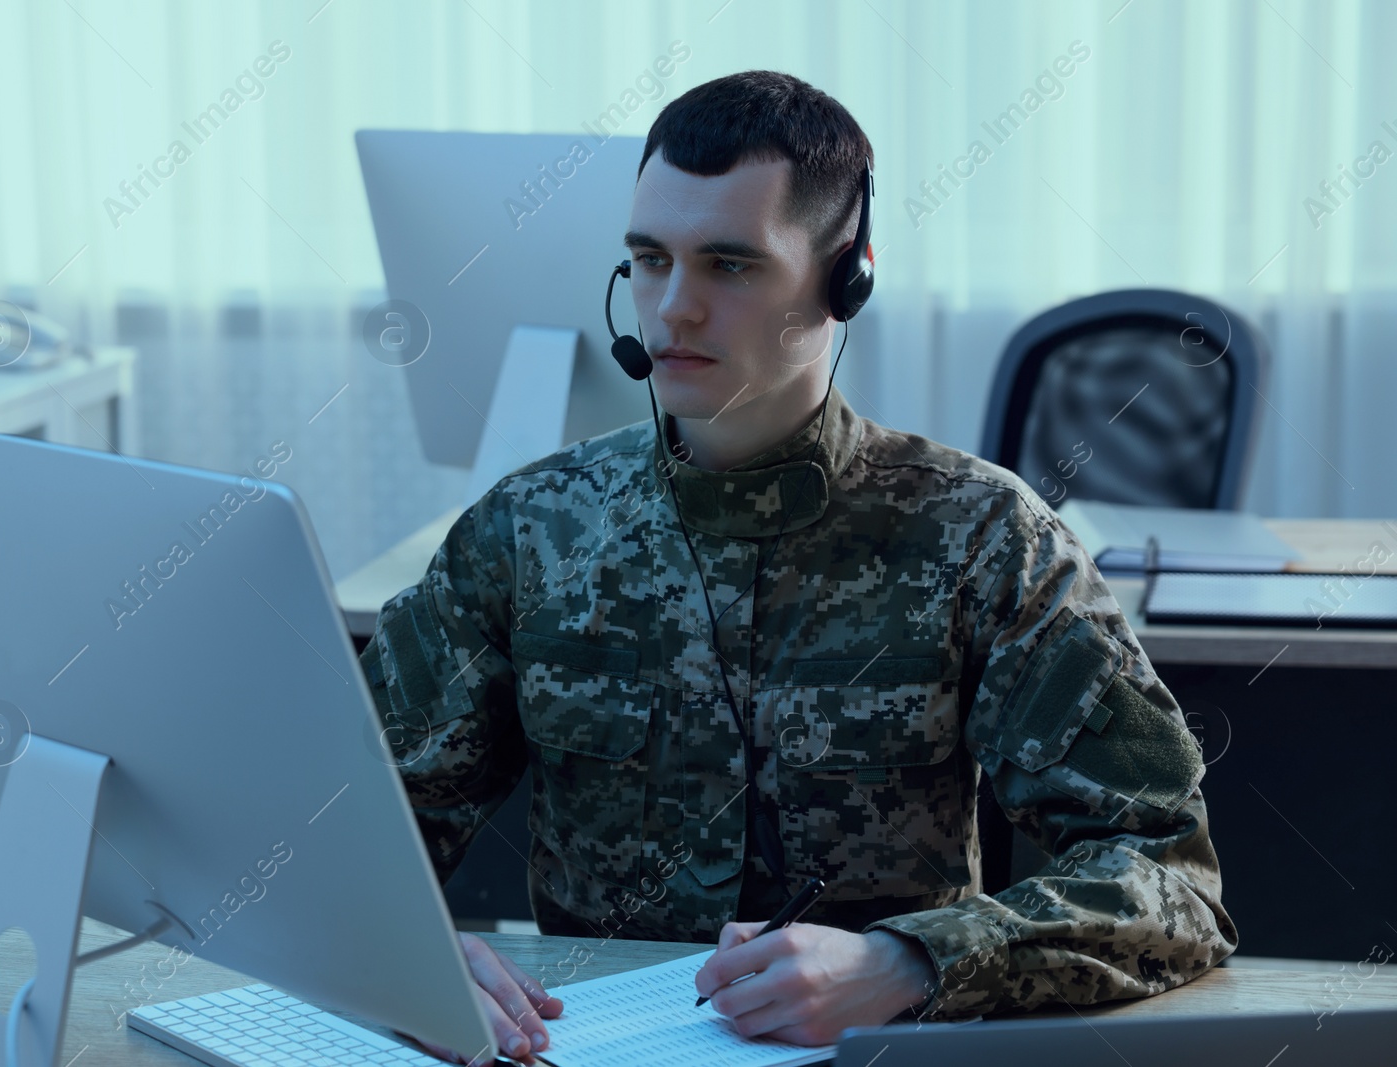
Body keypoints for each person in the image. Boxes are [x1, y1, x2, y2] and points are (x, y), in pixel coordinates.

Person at [358, 69, 1238, 1064]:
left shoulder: (982, 535)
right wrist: (412, 951)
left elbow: (1168, 870)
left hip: (875, 1052)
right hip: (578, 1049)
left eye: (729, 265)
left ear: (843, 278)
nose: (673, 309)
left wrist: (912, 960)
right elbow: (339, 840)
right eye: (648, 259)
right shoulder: (526, 530)